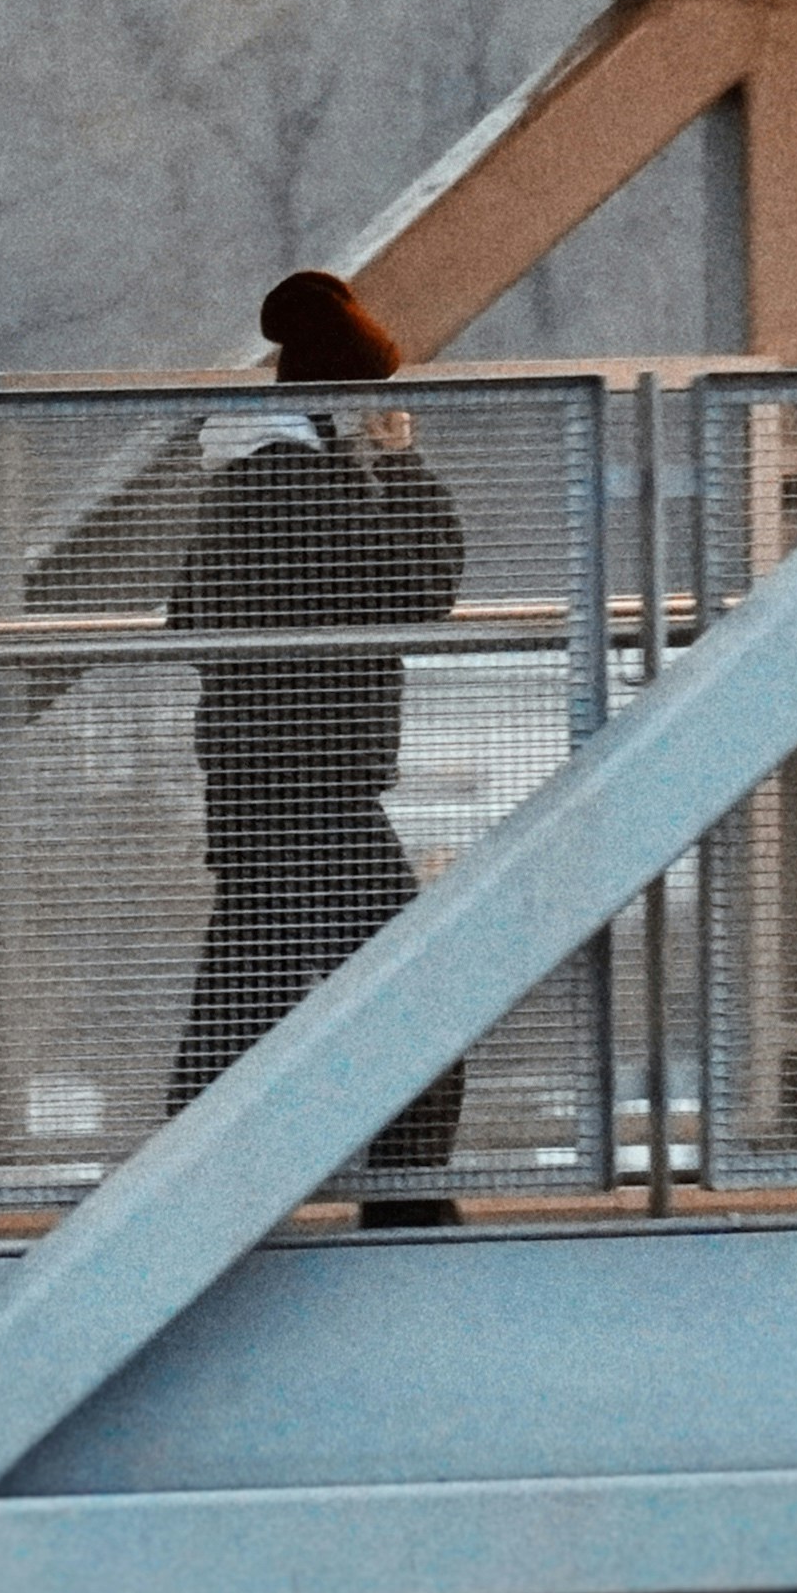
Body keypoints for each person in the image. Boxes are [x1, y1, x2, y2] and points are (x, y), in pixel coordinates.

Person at [164, 268, 467, 1224]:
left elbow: (185, 618)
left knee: (245, 1000)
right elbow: (422, 587)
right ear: (340, 402)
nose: (381, 419)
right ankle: (405, 1201)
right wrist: (405, 466)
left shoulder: (244, 479)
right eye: (371, 402)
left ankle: (185, 1197)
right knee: (412, 994)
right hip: (312, 785)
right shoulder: (295, 485)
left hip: (265, 778)